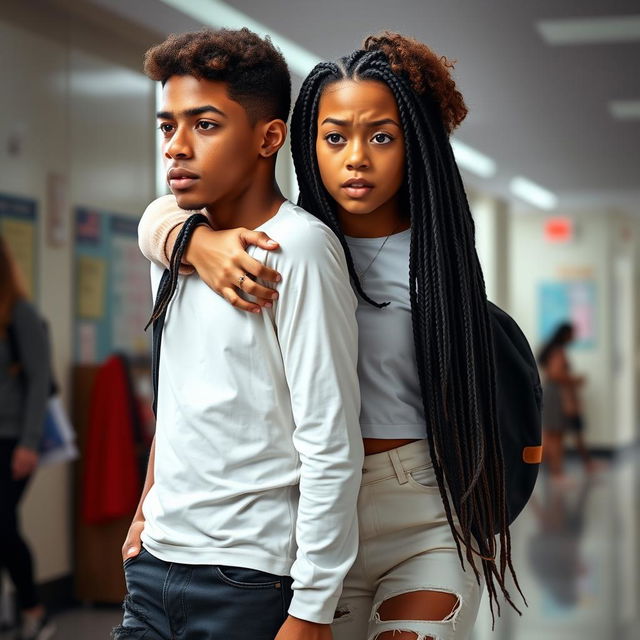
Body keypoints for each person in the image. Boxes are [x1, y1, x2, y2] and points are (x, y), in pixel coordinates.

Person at [138, 32, 528, 640]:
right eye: (334, 137)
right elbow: (160, 214)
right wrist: (190, 239)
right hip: (310, 524)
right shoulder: (284, 245)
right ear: (304, 145)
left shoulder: (438, 267)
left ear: (413, 145)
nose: (356, 159)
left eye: (381, 137)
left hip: (425, 518)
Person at [114, 28, 363, 640]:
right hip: (154, 567)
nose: (175, 147)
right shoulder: (175, 245)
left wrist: (313, 606)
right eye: (166, 126)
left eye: (204, 124)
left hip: (247, 577)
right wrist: (149, 507)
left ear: (268, 136)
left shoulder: (298, 249)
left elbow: (330, 441)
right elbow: (178, 398)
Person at [0, 236, 55, 640]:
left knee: (1, 525)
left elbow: (39, 383)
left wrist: (29, 443)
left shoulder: (19, 314)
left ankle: (34, 608)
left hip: (12, 439)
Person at [538, 322, 598, 481]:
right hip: (555, 395)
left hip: (553, 394)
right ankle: (557, 473)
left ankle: (554, 471)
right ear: (565, 334)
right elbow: (555, 374)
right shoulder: (558, 351)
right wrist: (575, 380)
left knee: (553, 435)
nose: (574, 337)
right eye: (572, 333)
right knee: (555, 435)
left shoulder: (554, 350)